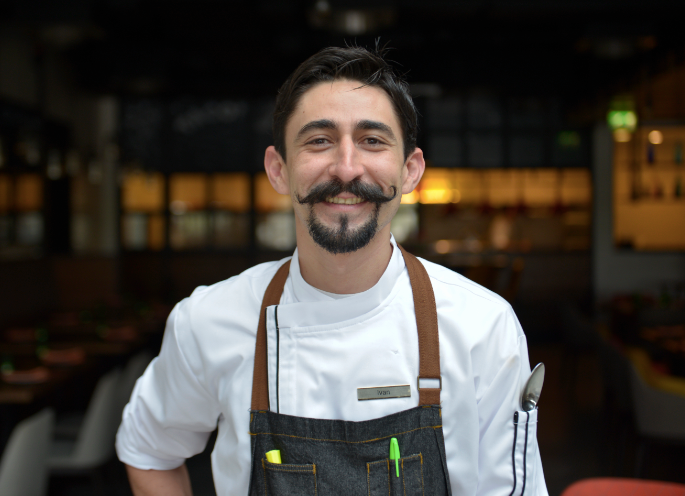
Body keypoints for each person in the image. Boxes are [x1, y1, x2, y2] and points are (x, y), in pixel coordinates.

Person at [116, 45, 548, 496]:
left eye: (373, 140)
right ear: (279, 169)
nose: (346, 168)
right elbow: (148, 451)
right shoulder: (209, 320)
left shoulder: (483, 328)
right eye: (319, 140)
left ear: (411, 170)